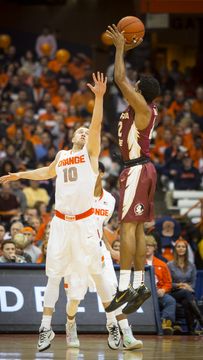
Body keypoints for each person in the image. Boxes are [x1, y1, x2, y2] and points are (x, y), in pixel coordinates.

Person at [0, 72, 116, 352]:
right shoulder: (63, 155)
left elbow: (96, 125)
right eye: (80, 131)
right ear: (72, 135)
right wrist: (20, 175)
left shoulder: (90, 155)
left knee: (90, 276)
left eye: (87, 132)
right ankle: (45, 328)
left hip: (85, 223)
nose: (84, 133)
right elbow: (47, 172)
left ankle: (105, 323)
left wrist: (99, 98)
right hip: (61, 223)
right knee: (53, 276)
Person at [105, 25, 160, 314]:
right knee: (137, 229)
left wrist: (120, 47)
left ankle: (124, 286)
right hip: (143, 168)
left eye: (135, 85)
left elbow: (118, 77)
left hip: (138, 171)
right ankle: (139, 284)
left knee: (127, 227)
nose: (132, 85)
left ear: (139, 92)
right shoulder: (146, 108)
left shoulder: (141, 107)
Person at [64, 162, 143, 350]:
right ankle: (70, 326)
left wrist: (109, 248)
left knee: (113, 293)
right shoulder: (74, 198)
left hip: (99, 251)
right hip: (76, 252)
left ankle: (126, 334)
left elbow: (98, 228)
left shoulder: (109, 199)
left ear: (101, 174)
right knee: (74, 299)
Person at [145, 235, 181, 335]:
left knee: (170, 301)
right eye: (144, 245)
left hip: (158, 292)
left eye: (149, 245)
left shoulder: (162, 264)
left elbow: (168, 283)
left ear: (154, 248)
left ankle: (166, 325)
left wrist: (164, 290)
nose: (147, 247)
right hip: (142, 293)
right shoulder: (135, 262)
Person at [167, 238, 203, 334]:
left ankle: (191, 331)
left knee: (186, 301)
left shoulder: (192, 266)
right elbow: (168, 284)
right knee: (187, 293)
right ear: (175, 249)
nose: (181, 248)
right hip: (173, 293)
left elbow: (193, 284)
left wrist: (187, 287)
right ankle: (201, 319)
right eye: (179, 247)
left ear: (186, 250)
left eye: (183, 247)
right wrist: (181, 285)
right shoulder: (169, 265)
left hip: (187, 294)